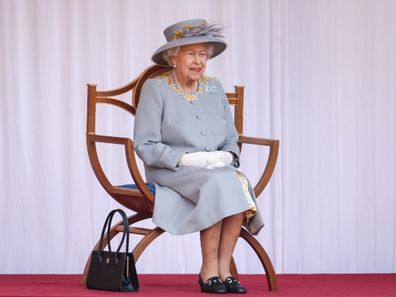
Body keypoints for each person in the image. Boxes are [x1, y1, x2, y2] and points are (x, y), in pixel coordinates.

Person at [134, 19, 264, 294]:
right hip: (171, 170)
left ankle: (225, 270)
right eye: (190, 53)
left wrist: (229, 156)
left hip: (216, 170)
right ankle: (209, 270)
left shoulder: (214, 88)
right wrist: (185, 160)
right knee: (222, 183)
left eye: (202, 54)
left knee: (228, 179)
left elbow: (231, 136)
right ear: (173, 56)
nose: (198, 61)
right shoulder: (155, 89)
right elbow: (144, 144)